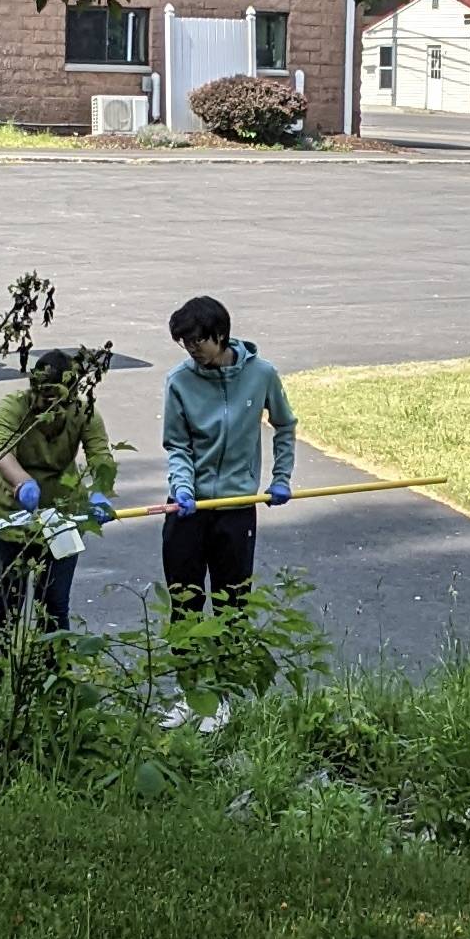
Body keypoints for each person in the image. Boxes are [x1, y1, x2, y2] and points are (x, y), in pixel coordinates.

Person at [158, 295, 297, 731]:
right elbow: (177, 444)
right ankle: (189, 694)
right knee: (185, 604)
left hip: (237, 509)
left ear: (221, 335)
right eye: (185, 343)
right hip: (188, 509)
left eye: (198, 341)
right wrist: (183, 487)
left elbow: (285, 425)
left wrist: (281, 478)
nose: (192, 350)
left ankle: (222, 696)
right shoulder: (179, 381)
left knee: (232, 604)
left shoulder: (262, 375)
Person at [0, 347, 117, 667]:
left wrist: (100, 492)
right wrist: (23, 484)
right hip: (9, 516)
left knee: (53, 607)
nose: (51, 408)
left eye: (59, 401)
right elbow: (2, 452)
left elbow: (100, 457)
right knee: (3, 605)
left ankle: (52, 686)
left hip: (61, 518)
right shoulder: (12, 408)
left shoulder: (85, 413)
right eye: (44, 398)